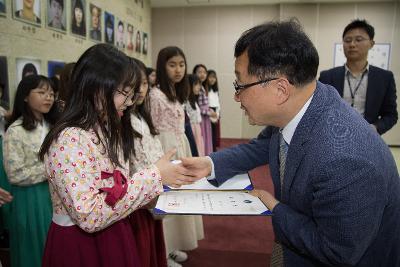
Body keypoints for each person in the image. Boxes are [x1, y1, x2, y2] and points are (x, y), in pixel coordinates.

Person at [181, 20, 400, 266]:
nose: (236, 96)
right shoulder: (305, 102)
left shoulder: (345, 158)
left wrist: (275, 207)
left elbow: (336, 252)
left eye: (240, 85)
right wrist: (209, 163)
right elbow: (263, 145)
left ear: (281, 89)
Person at [38, 44, 196, 266]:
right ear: (96, 86)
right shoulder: (69, 139)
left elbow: (118, 188)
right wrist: (154, 176)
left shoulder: (105, 128)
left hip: (116, 230)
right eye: (124, 93)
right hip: (82, 246)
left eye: (132, 94)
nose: (130, 102)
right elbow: (90, 215)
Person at [150, 46, 204, 267]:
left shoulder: (177, 92)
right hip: (165, 148)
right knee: (167, 202)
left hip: (180, 146)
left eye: (181, 64)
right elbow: (153, 129)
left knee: (181, 199)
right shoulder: (155, 94)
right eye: (172, 65)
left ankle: (173, 246)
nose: (178, 69)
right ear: (162, 67)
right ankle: (163, 252)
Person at [3, 74, 56, 267]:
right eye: (41, 92)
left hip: (53, 194)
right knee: (34, 251)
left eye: (51, 93)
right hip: (30, 198)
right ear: (25, 96)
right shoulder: (15, 131)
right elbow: (15, 174)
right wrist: (52, 168)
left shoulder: (52, 126)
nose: (48, 97)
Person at [319, 19, 398, 135]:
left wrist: (375, 128)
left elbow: (391, 115)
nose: (352, 44)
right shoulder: (327, 76)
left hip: (368, 138)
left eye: (358, 40)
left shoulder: (385, 78)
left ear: (371, 43)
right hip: (333, 136)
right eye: (347, 40)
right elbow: (319, 109)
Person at [128, 57, 167, 267]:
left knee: (152, 248)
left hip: (152, 191)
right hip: (137, 201)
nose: (141, 89)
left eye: (144, 83)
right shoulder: (123, 121)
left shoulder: (142, 116)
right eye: (135, 84)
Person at [193, 64, 216, 155]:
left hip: (206, 117)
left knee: (206, 137)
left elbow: (204, 105)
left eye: (204, 72)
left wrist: (210, 110)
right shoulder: (197, 88)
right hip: (201, 118)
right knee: (202, 137)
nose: (202, 74)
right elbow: (197, 107)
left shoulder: (202, 87)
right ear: (195, 73)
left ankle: (206, 155)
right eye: (199, 72)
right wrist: (209, 113)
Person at [185, 74, 204, 156]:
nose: (199, 87)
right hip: (191, 129)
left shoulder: (194, 100)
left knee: (198, 150)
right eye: (196, 84)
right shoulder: (185, 101)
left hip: (197, 129)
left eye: (199, 84)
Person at [206, 69, 221, 151]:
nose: (212, 79)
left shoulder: (215, 91)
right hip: (209, 112)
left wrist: (217, 114)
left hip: (215, 112)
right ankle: (209, 149)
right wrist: (211, 113)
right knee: (209, 134)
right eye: (210, 77)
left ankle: (214, 149)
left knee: (215, 134)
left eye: (214, 77)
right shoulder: (205, 90)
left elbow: (218, 104)